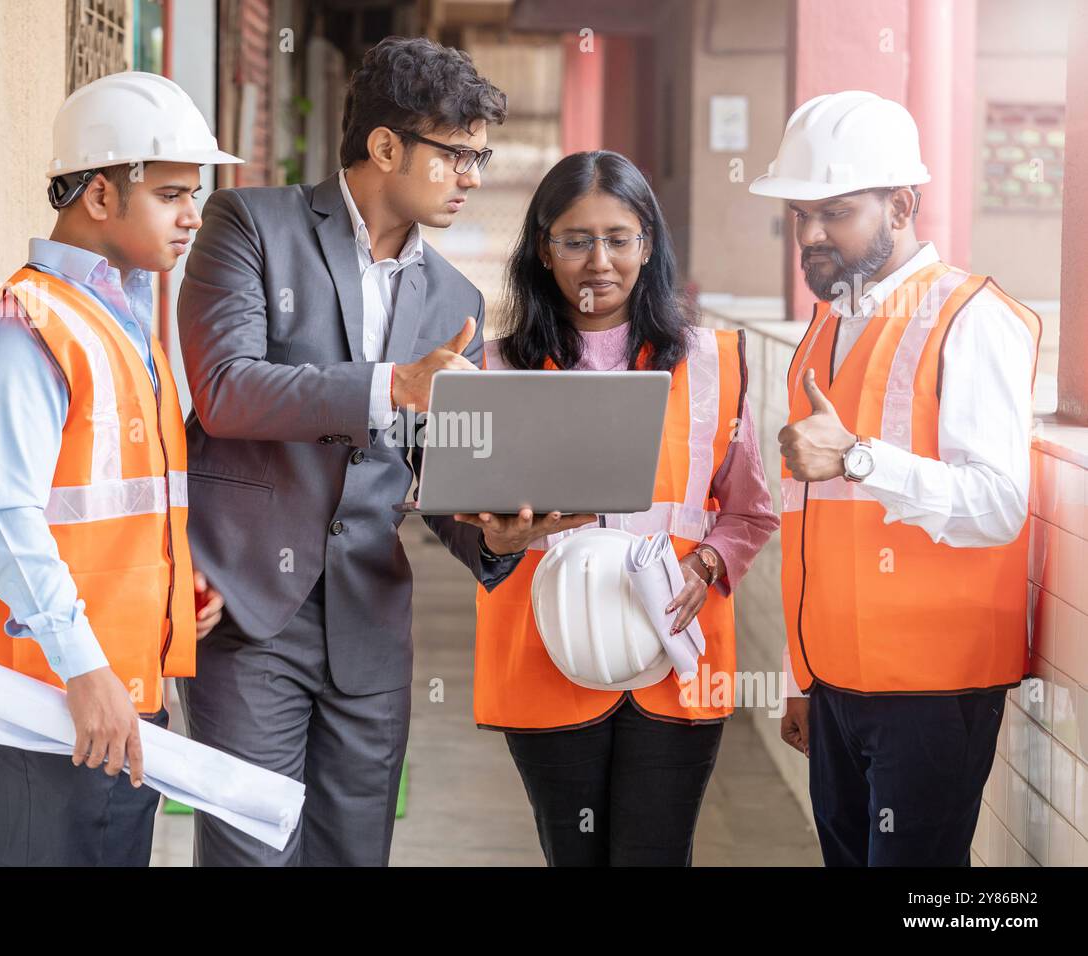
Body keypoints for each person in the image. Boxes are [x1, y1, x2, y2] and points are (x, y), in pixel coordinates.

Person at [175, 35, 594, 867]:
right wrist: (391, 388)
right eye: (459, 154)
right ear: (386, 145)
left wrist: (497, 537)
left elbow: (444, 473)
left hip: (369, 624)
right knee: (252, 852)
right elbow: (226, 390)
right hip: (250, 609)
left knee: (354, 854)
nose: (474, 176)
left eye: (482, 156)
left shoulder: (455, 300)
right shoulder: (249, 225)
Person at [0, 72, 233, 866]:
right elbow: (5, 520)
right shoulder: (23, 330)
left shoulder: (122, 322)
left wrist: (171, 593)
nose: (192, 216)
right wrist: (88, 669)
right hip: (44, 700)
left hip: (105, 696)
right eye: (171, 194)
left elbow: (115, 507)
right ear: (101, 196)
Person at [751, 90, 1042, 866]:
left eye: (835, 213)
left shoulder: (971, 317)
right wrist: (802, 674)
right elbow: (813, 519)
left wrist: (858, 458)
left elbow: (999, 505)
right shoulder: (826, 322)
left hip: (930, 688)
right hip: (837, 680)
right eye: (798, 215)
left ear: (904, 204)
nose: (809, 236)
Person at [473, 150, 780, 866]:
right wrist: (498, 536)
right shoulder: (494, 368)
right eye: (575, 240)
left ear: (648, 245)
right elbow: (465, 518)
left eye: (619, 237)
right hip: (549, 647)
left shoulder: (711, 362)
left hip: (674, 653)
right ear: (542, 251)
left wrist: (706, 563)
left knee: (654, 854)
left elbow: (750, 512)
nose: (599, 261)